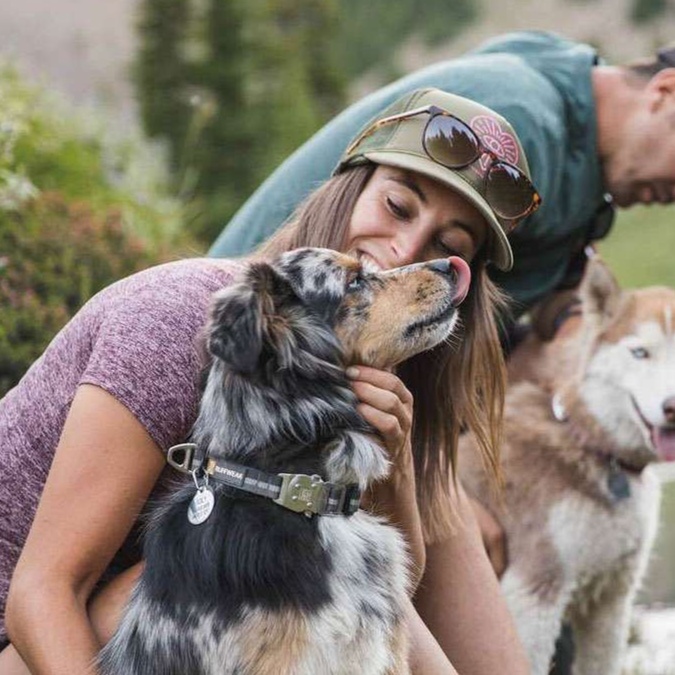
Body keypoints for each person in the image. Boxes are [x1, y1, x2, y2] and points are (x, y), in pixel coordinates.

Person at [0, 88, 537, 674]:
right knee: (245, 538)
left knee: (346, 558)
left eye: (447, 247)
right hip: (31, 639)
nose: (406, 249)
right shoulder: (179, 319)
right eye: (398, 207)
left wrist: (399, 466)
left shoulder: (377, 376)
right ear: (346, 191)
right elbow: (41, 593)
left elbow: (396, 595)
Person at [210, 30, 675, 328]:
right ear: (665, 92)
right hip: (247, 345)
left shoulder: (554, 96)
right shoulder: (517, 127)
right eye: (397, 207)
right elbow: (398, 303)